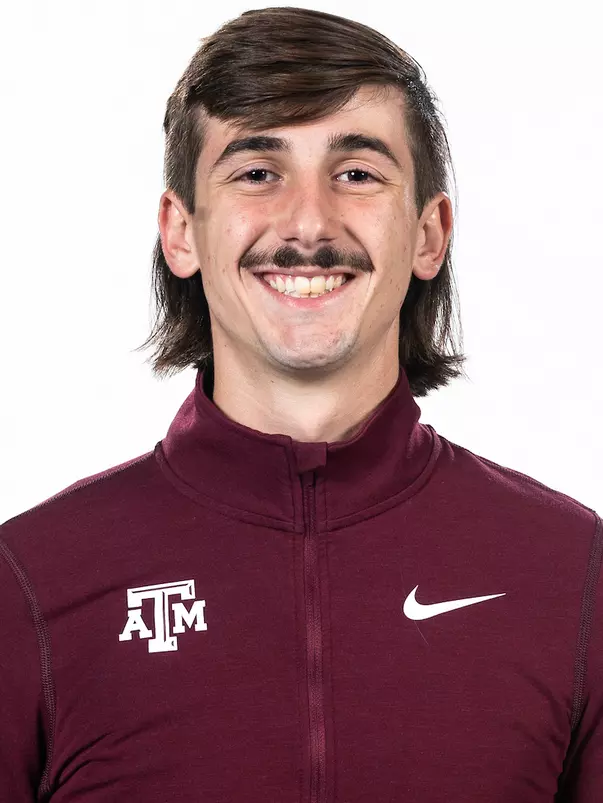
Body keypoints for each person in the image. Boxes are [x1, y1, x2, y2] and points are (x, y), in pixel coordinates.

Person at [0, 6, 600, 801]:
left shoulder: (573, 573)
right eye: (257, 172)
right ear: (180, 231)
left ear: (429, 234)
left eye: (356, 173)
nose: (309, 223)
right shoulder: (29, 584)